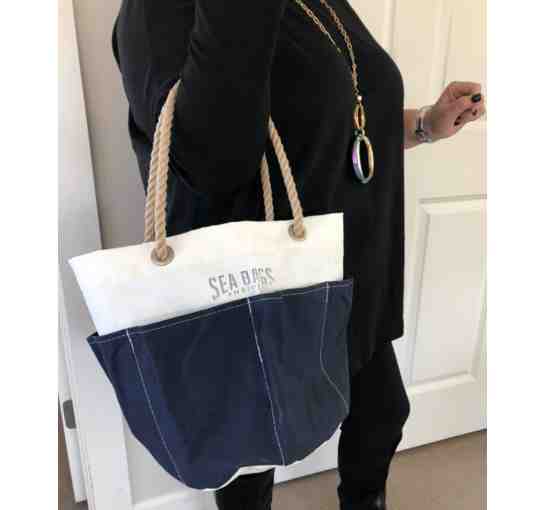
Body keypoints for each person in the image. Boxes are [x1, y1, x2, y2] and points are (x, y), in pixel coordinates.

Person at [112, 1, 485, 508]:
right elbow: (210, 164)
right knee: (250, 455)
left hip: (352, 266)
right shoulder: (155, 11)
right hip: (259, 291)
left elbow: (339, 122)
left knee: (381, 415)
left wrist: (425, 125)